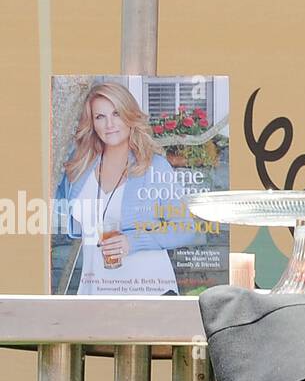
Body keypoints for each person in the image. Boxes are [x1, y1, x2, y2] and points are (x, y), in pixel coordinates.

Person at [54, 81, 199, 294]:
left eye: (116, 114)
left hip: (147, 289)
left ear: (129, 116)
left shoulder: (154, 167)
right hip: (95, 289)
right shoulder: (80, 168)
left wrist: (133, 241)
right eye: (100, 117)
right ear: (92, 123)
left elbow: (185, 229)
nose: (109, 124)